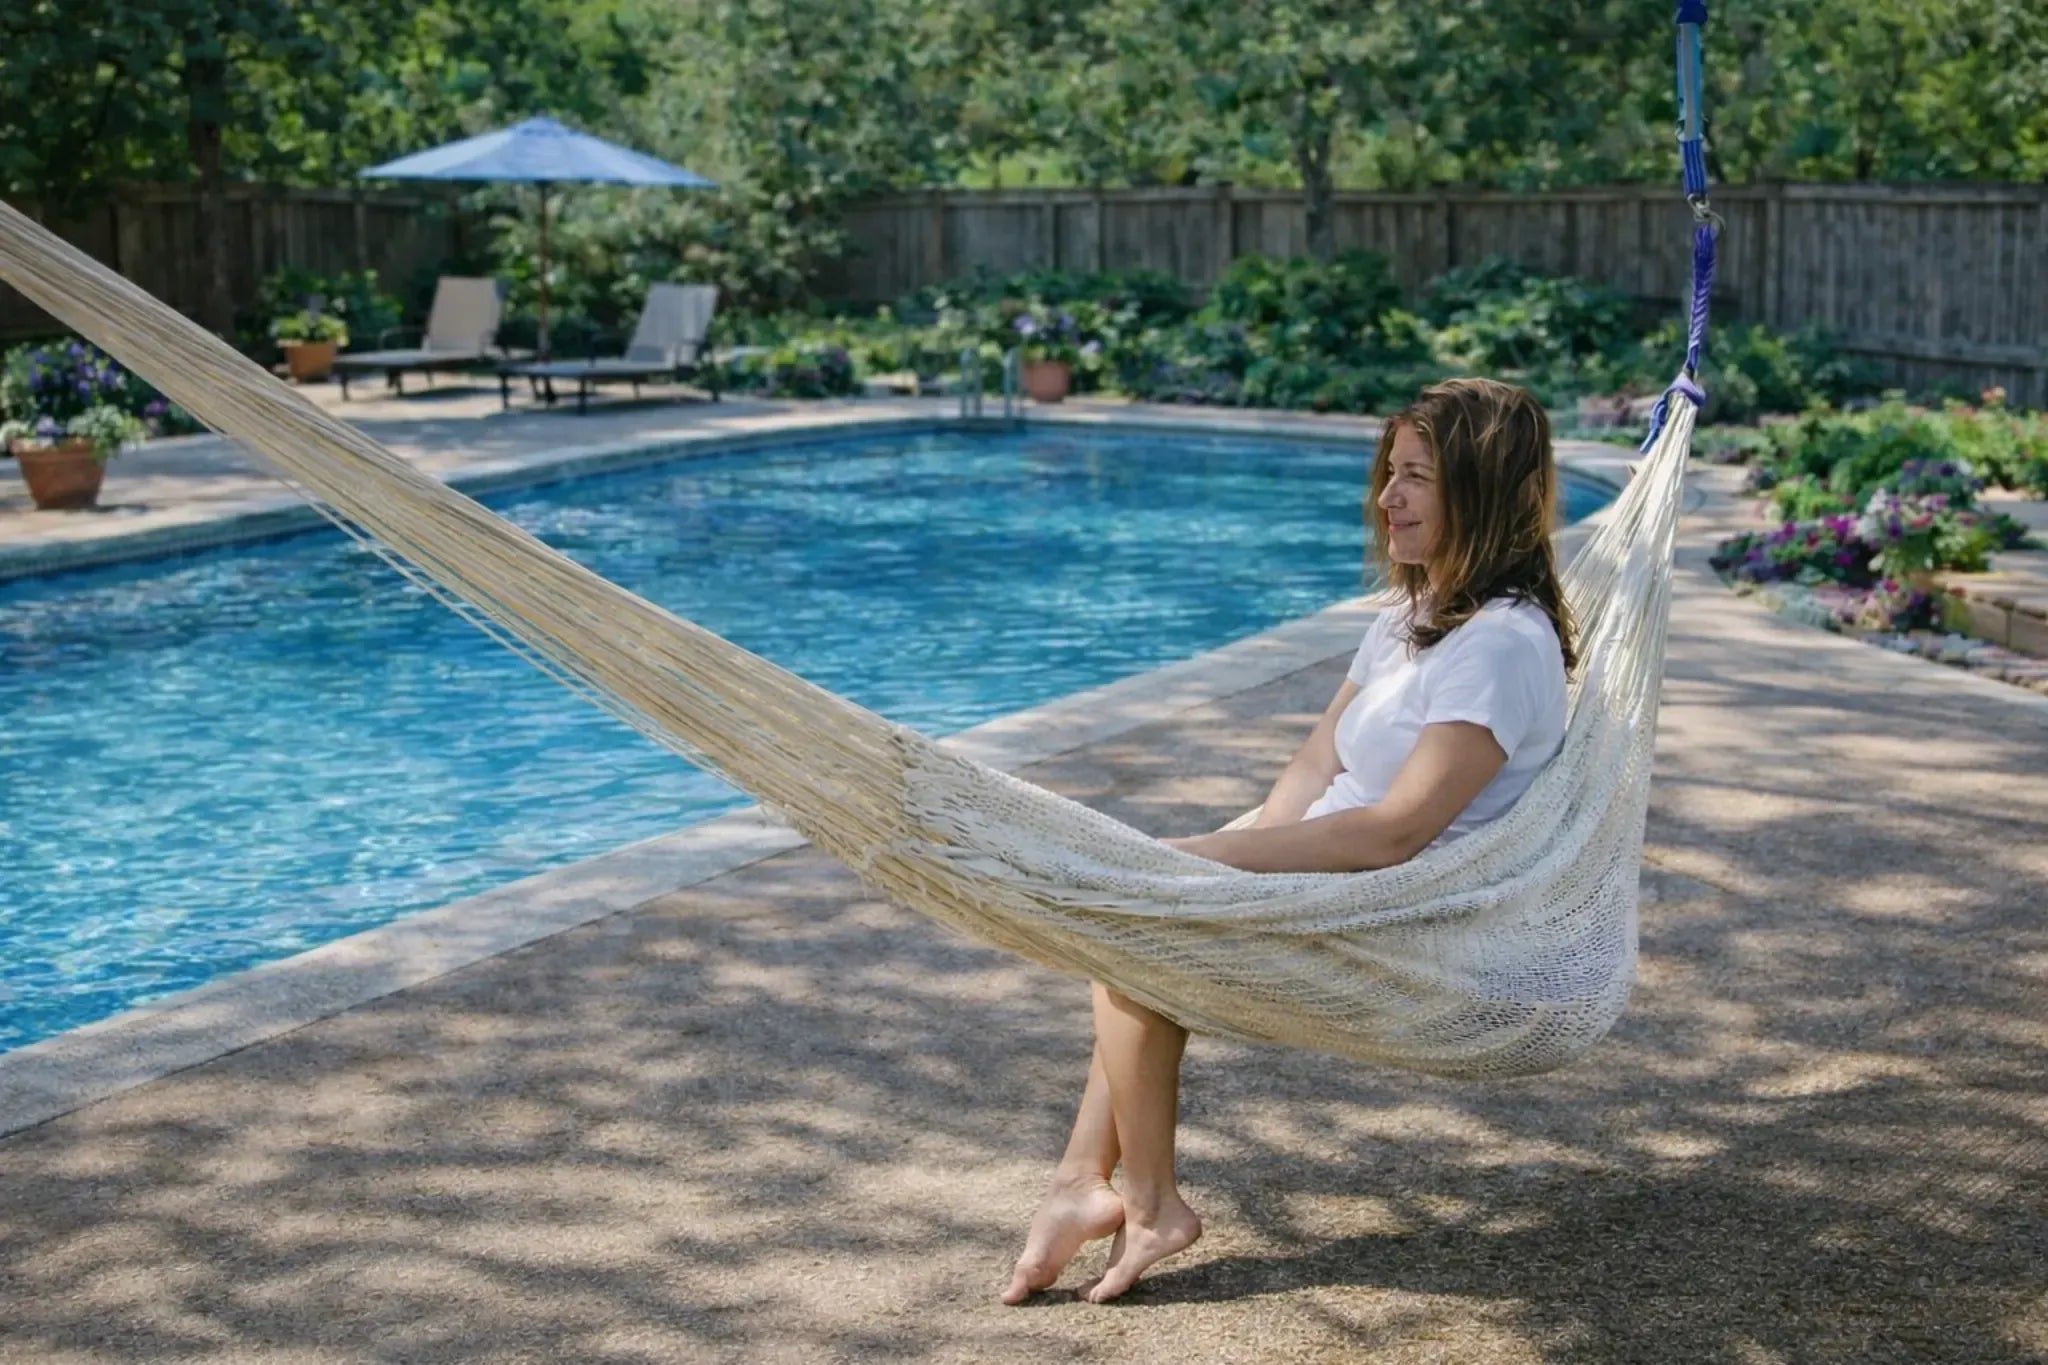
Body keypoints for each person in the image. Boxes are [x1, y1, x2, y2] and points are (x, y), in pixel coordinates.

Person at [1001, 377, 1578, 1305]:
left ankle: (1144, 1199)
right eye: (1391, 472)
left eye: (1418, 478)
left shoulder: (1505, 644)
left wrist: (1209, 864)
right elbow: (1315, 764)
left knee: (1132, 927)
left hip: (1402, 912)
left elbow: (1398, 831)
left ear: (1486, 489)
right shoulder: (1412, 616)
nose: (1387, 498)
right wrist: (1243, 851)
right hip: (1318, 866)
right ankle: (1082, 1185)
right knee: (1135, 916)